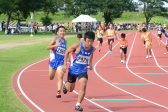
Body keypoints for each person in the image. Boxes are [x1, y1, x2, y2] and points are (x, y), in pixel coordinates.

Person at [62, 31, 96, 111]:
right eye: (88, 41)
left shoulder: (92, 49)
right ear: (84, 40)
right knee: (70, 89)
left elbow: (91, 54)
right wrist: (65, 64)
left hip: (83, 70)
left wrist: (90, 64)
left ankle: (78, 104)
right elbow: (67, 51)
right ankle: (66, 84)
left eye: (91, 41)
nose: (89, 43)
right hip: (73, 70)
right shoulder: (77, 45)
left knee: (83, 85)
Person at [46, 26, 67, 98]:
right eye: (61, 31)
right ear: (57, 33)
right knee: (51, 77)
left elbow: (64, 52)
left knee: (60, 76)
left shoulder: (66, 41)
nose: (62, 32)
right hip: (53, 61)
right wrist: (55, 45)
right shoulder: (55, 39)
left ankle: (58, 92)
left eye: (63, 31)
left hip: (61, 62)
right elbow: (47, 47)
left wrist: (66, 60)